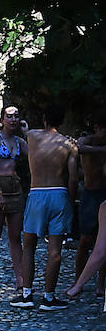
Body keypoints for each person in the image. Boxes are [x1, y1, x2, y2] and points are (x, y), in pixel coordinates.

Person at [12, 103, 79, 310]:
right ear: (62, 121)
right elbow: (74, 178)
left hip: (37, 192)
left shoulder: (32, 136)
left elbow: (21, 129)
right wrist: (71, 199)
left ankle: (27, 294)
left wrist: (22, 124)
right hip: (59, 193)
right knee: (55, 250)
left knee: (29, 245)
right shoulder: (69, 144)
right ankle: (49, 298)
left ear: (44, 118)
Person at [0, 105, 29, 294]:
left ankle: (20, 278)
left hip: (15, 187)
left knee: (16, 236)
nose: (13, 120)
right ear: (2, 120)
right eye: (9, 116)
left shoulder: (19, 141)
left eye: (17, 116)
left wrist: (26, 133)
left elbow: (34, 155)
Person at [73, 113, 106, 295]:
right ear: (97, 128)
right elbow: (79, 147)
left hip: (105, 193)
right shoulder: (88, 140)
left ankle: (101, 284)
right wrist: (103, 150)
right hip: (90, 194)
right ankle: (79, 280)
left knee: (104, 243)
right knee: (85, 240)